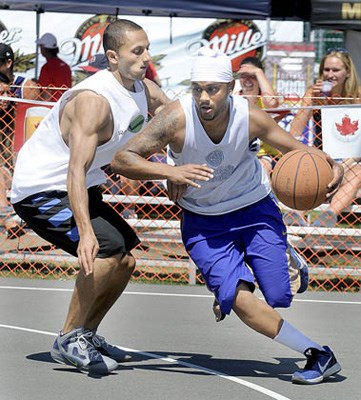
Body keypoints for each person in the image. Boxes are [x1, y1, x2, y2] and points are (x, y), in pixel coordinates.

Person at [111, 47, 344, 384]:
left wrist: (331, 164)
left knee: (278, 296)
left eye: (212, 89)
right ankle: (318, 354)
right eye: (196, 88)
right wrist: (170, 174)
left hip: (253, 207)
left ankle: (281, 254)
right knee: (238, 298)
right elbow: (122, 159)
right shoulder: (176, 119)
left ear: (230, 87)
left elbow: (298, 150)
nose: (203, 97)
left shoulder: (250, 116)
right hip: (204, 222)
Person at [10, 19, 169, 375]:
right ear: (113, 57)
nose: (146, 57)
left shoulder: (146, 90)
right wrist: (85, 231)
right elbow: (74, 171)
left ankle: (87, 333)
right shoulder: (93, 101)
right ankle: (67, 338)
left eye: (147, 49)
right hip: (42, 189)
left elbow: (177, 120)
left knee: (125, 260)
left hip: (82, 184)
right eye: (137, 51)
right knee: (106, 250)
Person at [290, 48, 361, 226]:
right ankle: (295, 216)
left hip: (350, 160)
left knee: (358, 173)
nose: (330, 74)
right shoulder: (313, 93)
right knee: (313, 168)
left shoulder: (357, 96)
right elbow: (294, 132)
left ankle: (328, 217)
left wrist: (347, 162)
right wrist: (311, 102)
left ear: (347, 73)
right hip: (321, 158)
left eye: (335, 70)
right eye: (326, 70)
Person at [0, 43, 40, 233]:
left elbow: (34, 121)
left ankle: (9, 220)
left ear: (8, 63)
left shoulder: (26, 86)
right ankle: (9, 220)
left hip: (19, 148)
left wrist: (11, 102)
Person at [36, 33, 72, 101]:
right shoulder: (66, 66)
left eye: (40, 47)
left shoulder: (47, 68)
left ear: (43, 48)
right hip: (65, 103)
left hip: (52, 106)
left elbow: (46, 94)